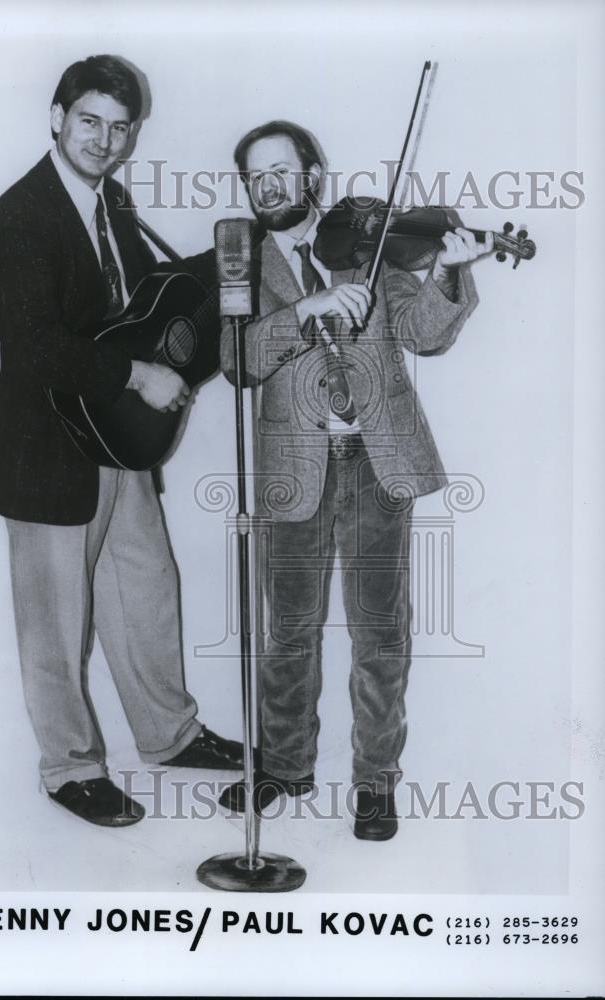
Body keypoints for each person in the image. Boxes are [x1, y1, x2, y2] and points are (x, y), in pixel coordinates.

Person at [0, 55, 243, 829]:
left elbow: (141, 305)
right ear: (58, 117)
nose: (105, 138)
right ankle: (69, 769)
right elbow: (30, 345)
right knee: (56, 622)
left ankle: (168, 736)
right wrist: (135, 374)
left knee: (146, 591)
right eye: (90, 120)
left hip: (115, 440)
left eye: (120, 127)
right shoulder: (20, 213)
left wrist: (240, 246)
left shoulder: (114, 204)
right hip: (47, 447)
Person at [218, 120, 493, 839]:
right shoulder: (236, 260)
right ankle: (282, 765)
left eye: (284, 169)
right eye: (257, 175)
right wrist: (304, 311)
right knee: (288, 632)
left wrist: (449, 273)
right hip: (290, 466)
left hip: (377, 462)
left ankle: (374, 782)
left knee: (379, 630)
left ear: (313, 174)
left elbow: (424, 334)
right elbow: (237, 360)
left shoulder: (365, 246)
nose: (271, 185)